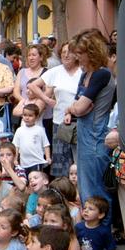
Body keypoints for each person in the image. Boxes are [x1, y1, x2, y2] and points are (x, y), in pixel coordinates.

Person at [64, 30, 115, 225]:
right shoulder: (86, 74)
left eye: (80, 52)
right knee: (86, 189)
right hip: (85, 136)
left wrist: (76, 108)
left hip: (96, 138)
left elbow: (81, 107)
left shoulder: (101, 74)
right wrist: (75, 108)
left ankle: (102, 235)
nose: (77, 56)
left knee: (96, 191)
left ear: (91, 51)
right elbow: (77, 106)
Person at [28, 42, 82, 178]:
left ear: (77, 54)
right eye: (63, 52)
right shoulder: (56, 71)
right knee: (62, 160)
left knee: (79, 160)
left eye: (69, 51)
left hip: (80, 120)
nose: (65, 54)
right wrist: (47, 100)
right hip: (60, 122)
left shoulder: (83, 71)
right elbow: (33, 85)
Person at [13, 104, 51, 174]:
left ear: (36, 117)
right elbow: (16, 146)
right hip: (24, 163)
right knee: (26, 181)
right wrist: (15, 159)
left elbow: (46, 145)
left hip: (37, 161)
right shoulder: (19, 130)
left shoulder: (40, 130)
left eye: (30, 115)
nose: (27, 118)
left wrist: (48, 157)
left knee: (36, 179)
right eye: (25, 115)